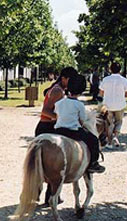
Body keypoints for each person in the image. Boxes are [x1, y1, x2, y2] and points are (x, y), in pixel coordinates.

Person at [34, 67, 78, 205]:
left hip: (47, 126)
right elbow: (45, 111)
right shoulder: (58, 90)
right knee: (51, 165)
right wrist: (59, 118)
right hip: (46, 127)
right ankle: (47, 196)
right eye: (71, 79)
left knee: (48, 165)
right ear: (64, 78)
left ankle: (48, 196)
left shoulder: (59, 89)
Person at [54, 74, 105, 174]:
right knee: (94, 140)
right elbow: (82, 121)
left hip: (58, 129)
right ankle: (93, 164)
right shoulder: (79, 105)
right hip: (73, 131)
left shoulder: (59, 102)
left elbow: (57, 116)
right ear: (81, 91)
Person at [99, 62, 127, 147]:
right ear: (120, 70)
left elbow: (101, 93)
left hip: (108, 105)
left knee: (109, 123)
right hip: (120, 105)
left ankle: (109, 141)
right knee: (118, 121)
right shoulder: (124, 80)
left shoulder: (105, 79)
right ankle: (115, 136)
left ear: (110, 69)